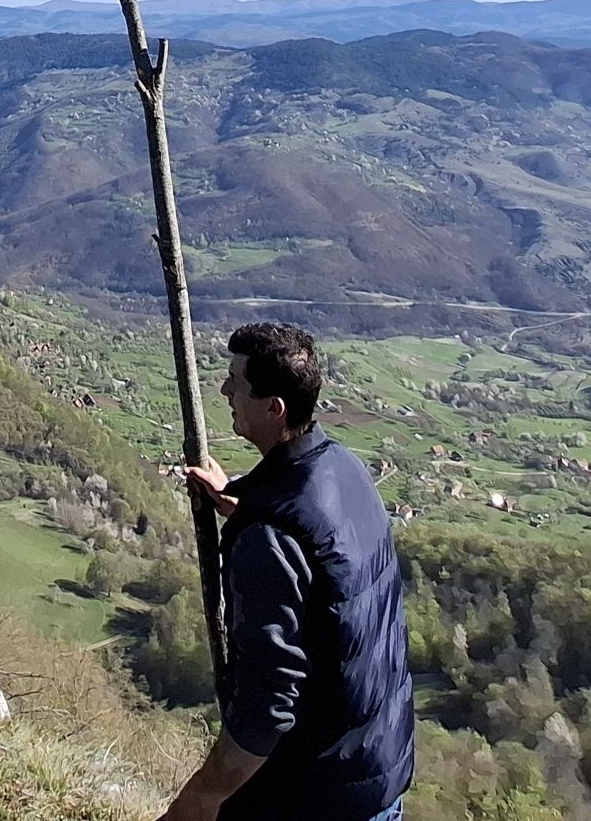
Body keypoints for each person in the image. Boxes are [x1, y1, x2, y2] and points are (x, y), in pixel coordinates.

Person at [161, 324, 414, 821]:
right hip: (376, 770)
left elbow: (267, 705)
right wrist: (243, 504)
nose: (225, 390)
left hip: (316, 797)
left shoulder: (269, 538)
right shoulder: (344, 468)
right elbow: (327, 567)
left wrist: (202, 797)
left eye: (236, 381)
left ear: (273, 408)